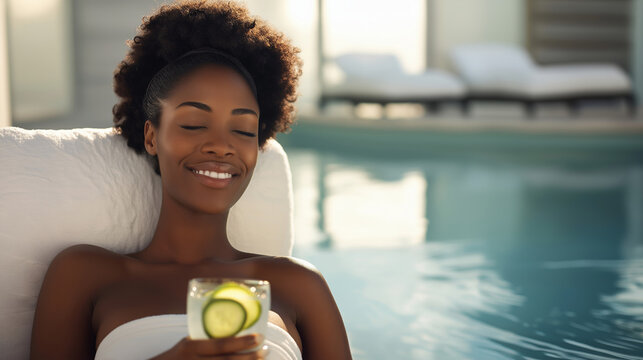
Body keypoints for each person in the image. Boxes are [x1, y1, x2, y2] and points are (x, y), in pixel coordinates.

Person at [29, 1, 352, 359]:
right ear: (152, 136)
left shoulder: (300, 285)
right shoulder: (84, 275)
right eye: (193, 124)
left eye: (243, 130)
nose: (221, 146)